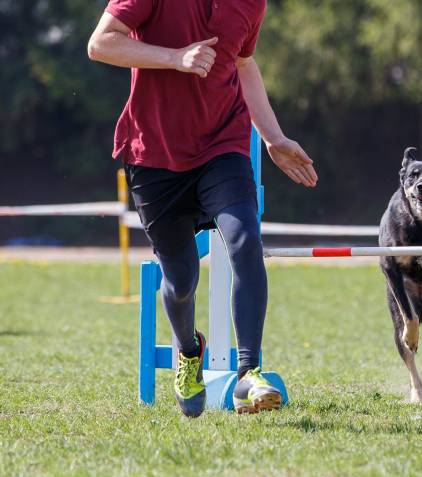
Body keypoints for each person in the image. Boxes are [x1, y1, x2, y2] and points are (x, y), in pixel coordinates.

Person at [88, 0, 318, 417]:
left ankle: (248, 373)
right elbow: (101, 44)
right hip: (153, 155)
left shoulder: (252, 4)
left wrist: (273, 138)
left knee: (245, 239)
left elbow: (244, 65)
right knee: (180, 282)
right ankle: (189, 353)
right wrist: (175, 58)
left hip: (222, 147)